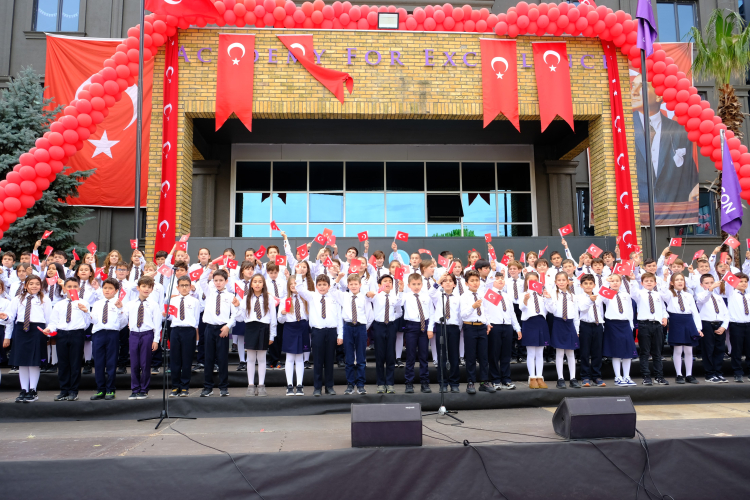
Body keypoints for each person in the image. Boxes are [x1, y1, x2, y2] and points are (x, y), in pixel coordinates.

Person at [2, 275, 52, 402]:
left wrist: (48, 330)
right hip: (21, 330)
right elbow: (10, 316)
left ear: (40, 286)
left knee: (34, 362)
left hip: (37, 330)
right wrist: (5, 317)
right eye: (31, 283)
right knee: (22, 362)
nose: (34, 286)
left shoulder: (45, 299)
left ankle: (33, 390)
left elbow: (49, 318)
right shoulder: (18, 299)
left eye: (37, 284)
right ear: (25, 285)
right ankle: (24, 389)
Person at [295, 273, 343, 396]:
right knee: (317, 361)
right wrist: (299, 274)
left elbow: (339, 317)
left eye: (324, 285)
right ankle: (317, 387)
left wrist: (340, 334)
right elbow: (299, 289)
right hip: (317, 332)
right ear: (316, 286)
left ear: (329, 286)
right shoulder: (312, 296)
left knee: (329, 361)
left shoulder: (334, 297)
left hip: (331, 331)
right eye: (319, 285)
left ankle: (329, 386)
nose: (322, 287)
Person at [45, 278, 91, 401]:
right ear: (64, 289)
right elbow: (54, 321)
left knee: (75, 364)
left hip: (77, 334)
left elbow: (87, 322)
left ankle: (73, 391)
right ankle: (64, 390)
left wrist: (84, 315)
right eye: (69, 286)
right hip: (62, 334)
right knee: (63, 363)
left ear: (79, 289)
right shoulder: (59, 304)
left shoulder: (83, 303)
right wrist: (49, 329)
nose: (72, 289)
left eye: (75, 286)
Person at [199, 268, 240, 397]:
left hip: (223, 329)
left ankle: (223, 387)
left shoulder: (230, 296)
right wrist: (209, 268)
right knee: (209, 358)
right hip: (209, 328)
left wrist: (228, 326)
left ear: (226, 281)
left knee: (222, 358)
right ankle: (208, 387)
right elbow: (202, 280)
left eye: (221, 280)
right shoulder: (209, 292)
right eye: (215, 280)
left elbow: (234, 314)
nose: (218, 283)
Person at [331, 272, 372, 395]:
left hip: (360, 327)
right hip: (348, 327)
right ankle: (350, 384)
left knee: (361, 358)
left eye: (356, 284)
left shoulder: (364, 298)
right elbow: (332, 291)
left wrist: (363, 327)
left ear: (360, 285)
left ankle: (360, 385)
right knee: (349, 358)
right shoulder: (344, 296)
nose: (353, 286)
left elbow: (370, 316)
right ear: (348, 285)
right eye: (351, 284)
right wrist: (338, 278)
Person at [661, 272, 703, 384]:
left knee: (689, 349)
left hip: (688, 321)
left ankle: (689, 374)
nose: (680, 281)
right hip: (676, 321)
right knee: (678, 349)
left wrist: (698, 327)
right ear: (672, 283)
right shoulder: (669, 294)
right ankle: (679, 374)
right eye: (677, 280)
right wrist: (665, 278)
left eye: (682, 279)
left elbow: (695, 312)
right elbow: (663, 293)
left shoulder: (688, 295)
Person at [238, 274, 277, 397]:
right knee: (250, 358)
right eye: (255, 281)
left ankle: (261, 385)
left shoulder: (269, 298)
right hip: (251, 327)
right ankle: (250, 385)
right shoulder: (246, 298)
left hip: (263, 327)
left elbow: (273, 318)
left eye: (260, 281)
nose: (257, 284)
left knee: (261, 358)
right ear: (251, 284)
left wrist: (272, 335)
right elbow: (240, 317)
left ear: (263, 284)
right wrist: (237, 306)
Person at [124, 276, 161, 400]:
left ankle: (144, 390)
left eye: (149, 287)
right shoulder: (130, 304)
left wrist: (156, 339)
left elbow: (157, 323)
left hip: (147, 334)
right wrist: (119, 309)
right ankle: (135, 389)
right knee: (134, 363)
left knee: (145, 363)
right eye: (143, 286)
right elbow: (124, 318)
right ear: (138, 288)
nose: (146, 289)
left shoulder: (154, 305)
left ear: (152, 289)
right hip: (134, 334)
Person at [631, 272, 669, 386]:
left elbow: (663, 308)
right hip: (644, 325)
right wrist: (632, 280)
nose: (649, 283)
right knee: (645, 352)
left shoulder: (658, 294)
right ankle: (646, 376)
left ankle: (659, 376)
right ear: (642, 283)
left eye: (651, 281)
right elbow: (633, 293)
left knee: (657, 352)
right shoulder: (639, 294)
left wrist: (665, 317)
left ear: (655, 283)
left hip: (657, 325)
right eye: (646, 281)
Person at [90, 278, 126, 400]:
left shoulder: (119, 303)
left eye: (110, 288)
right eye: (105, 288)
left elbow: (123, 323)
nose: (107, 290)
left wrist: (120, 309)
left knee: (111, 362)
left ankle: (110, 389)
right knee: (98, 362)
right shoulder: (97, 303)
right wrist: (87, 313)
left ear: (116, 291)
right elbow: (94, 320)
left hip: (112, 334)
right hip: (98, 333)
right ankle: (100, 389)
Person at [460, 270, 495, 394]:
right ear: (466, 283)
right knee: (471, 356)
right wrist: (473, 307)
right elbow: (463, 315)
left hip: (482, 327)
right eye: (472, 281)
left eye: (477, 280)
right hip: (470, 326)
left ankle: (484, 381)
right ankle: (470, 381)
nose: (475, 283)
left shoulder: (482, 294)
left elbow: (485, 311)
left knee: (483, 356)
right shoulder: (464, 296)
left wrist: (487, 323)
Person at [367, 274, 403, 394]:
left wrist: (391, 318)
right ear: (379, 284)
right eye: (385, 281)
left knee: (390, 355)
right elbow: (368, 296)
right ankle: (381, 383)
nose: (387, 283)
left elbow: (399, 312)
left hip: (391, 326)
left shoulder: (394, 297)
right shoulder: (376, 296)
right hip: (379, 326)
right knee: (380, 355)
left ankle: (390, 383)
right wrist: (371, 293)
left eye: (390, 281)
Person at [485, 273, 521, 391]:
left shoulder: (507, 296)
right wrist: (487, 323)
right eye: (497, 279)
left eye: (502, 279)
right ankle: (495, 379)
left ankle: (506, 379)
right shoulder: (488, 294)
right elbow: (485, 310)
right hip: (494, 326)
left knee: (506, 354)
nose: (500, 280)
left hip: (507, 326)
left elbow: (512, 313)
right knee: (494, 354)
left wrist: (517, 328)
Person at [600, 274, 638, 387]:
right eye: (612, 281)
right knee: (616, 352)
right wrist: (606, 282)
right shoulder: (608, 294)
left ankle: (627, 376)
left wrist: (631, 325)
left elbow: (630, 310)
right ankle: (618, 377)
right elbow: (601, 295)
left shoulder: (626, 295)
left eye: (617, 281)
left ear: (621, 282)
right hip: (613, 324)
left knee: (627, 352)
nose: (615, 283)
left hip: (625, 324)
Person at [166, 276, 201, 397]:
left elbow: (196, 320)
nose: (184, 288)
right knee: (175, 359)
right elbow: (170, 317)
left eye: (187, 285)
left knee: (187, 359)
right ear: (178, 287)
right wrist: (165, 314)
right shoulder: (173, 300)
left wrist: (195, 335)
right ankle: (175, 386)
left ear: (190, 287)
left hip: (188, 330)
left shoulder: (195, 301)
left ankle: (185, 386)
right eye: (182, 285)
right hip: (175, 330)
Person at [278, 271, 311, 396]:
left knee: (300, 358)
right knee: (290, 358)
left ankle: (300, 385)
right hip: (290, 328)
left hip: (302, 327)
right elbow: (280, 320)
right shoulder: (285, 300)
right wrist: (282, 313)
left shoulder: (305, 299)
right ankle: (290, 385)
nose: (293, 285)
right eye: (291, 284)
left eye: (295, 283)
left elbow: (309, 316)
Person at [402, 272, 436, 394]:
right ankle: (409, 382)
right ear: (409, 285)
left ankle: (424, 382)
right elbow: (397, 303)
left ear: (422, 284)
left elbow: (431, 313)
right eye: (413, 284)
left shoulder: (427, 297)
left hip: (424, 327)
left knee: (423, 356)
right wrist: (399, 290)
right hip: (411, 326)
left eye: (418, 284)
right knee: (410, 356)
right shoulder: (405, 296)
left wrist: (430, 328)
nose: (416, 286)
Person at [694, 274, 729, 383]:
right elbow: (704, 299)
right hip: (707, 324)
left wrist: (724, 326)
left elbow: (726, 313)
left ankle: (718, 372)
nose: (710, 285)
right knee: (708, 349)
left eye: (712, 282)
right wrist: (710, 289)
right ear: (701, 285)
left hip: (719, 324)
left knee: (719, 349)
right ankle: (709, 374)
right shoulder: (700, 295)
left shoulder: (719, 297)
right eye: (707, 283)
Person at [519, 272, 549, 389]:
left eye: (535, 280)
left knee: (540, 352)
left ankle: (540, 377)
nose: (532, 282)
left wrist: (548, 298)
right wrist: (525, 300)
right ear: (526, 282)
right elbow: (522, 308)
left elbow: (548, 309)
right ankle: (532, 377)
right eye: (530, 280)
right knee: (531, 352)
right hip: (529, 322)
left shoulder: (542, 295)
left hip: (541, 322)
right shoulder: (523, 294)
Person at [576, 274, 605, 387]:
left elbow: (601, 312)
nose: (588, 285)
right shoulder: (578, 297)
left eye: (590, 283)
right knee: (585, 352)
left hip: (597, 325)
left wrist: (602, 324)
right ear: (581, 285)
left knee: (597, 352)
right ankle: (585, 377)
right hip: (585, 325)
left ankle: (596, 376)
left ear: (594, 285)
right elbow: (581, 309)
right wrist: (590, 300)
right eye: (585, 283)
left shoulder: (599, 297)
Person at [726, 272, 750, 383]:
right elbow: (728, 280)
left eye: (745, 281)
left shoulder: (748, 295)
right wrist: (727, 269)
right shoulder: (731, 293)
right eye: (741, 281)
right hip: (737, 325)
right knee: (737, 350)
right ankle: (738, 372)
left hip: (748, 324)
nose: (744, 283)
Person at [265, 263, 286, 370]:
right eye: (271, 273)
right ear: (267, 272)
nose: (273, 275)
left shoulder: (283, 282)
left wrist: (280, 300)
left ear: (278, 272)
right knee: (271, 333)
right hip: (270, 309)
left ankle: (277, 359)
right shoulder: (265, 283)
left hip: (280, 309)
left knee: (279, 334)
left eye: (275, 272)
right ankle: (272, 360)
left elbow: (286, 295)